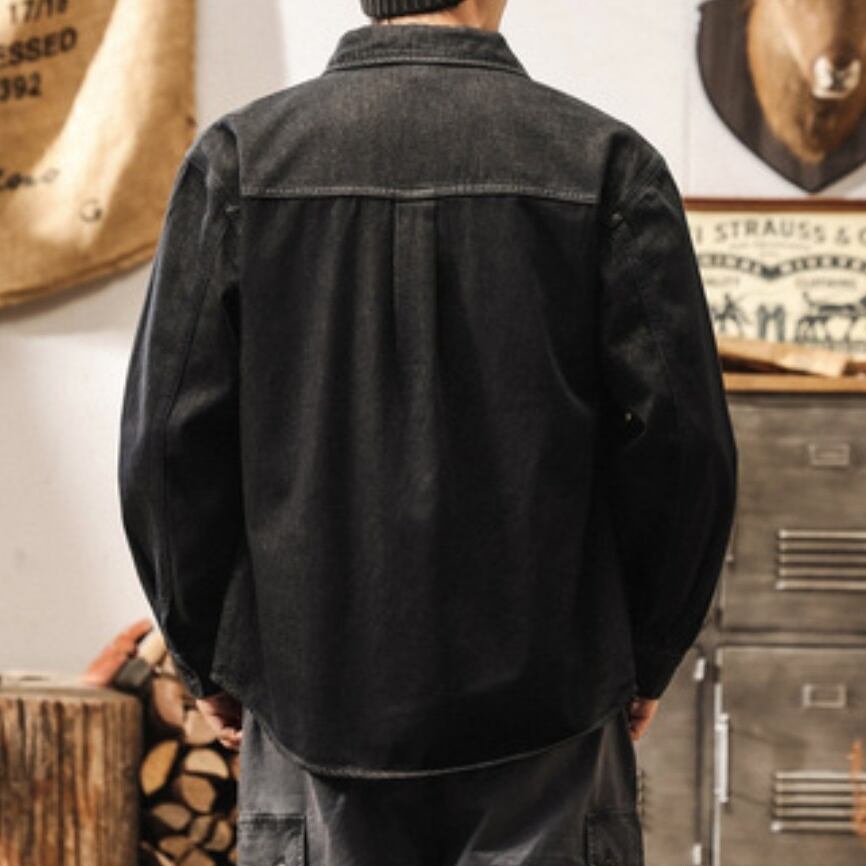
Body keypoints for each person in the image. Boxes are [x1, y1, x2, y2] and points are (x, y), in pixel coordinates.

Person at [117, 0, 738, 862]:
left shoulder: (240, 160)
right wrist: (649, 647)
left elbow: (166, 451)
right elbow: (684, 447)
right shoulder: (604, 163)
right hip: (550, 717)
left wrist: (204, 653)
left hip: (310, 704)